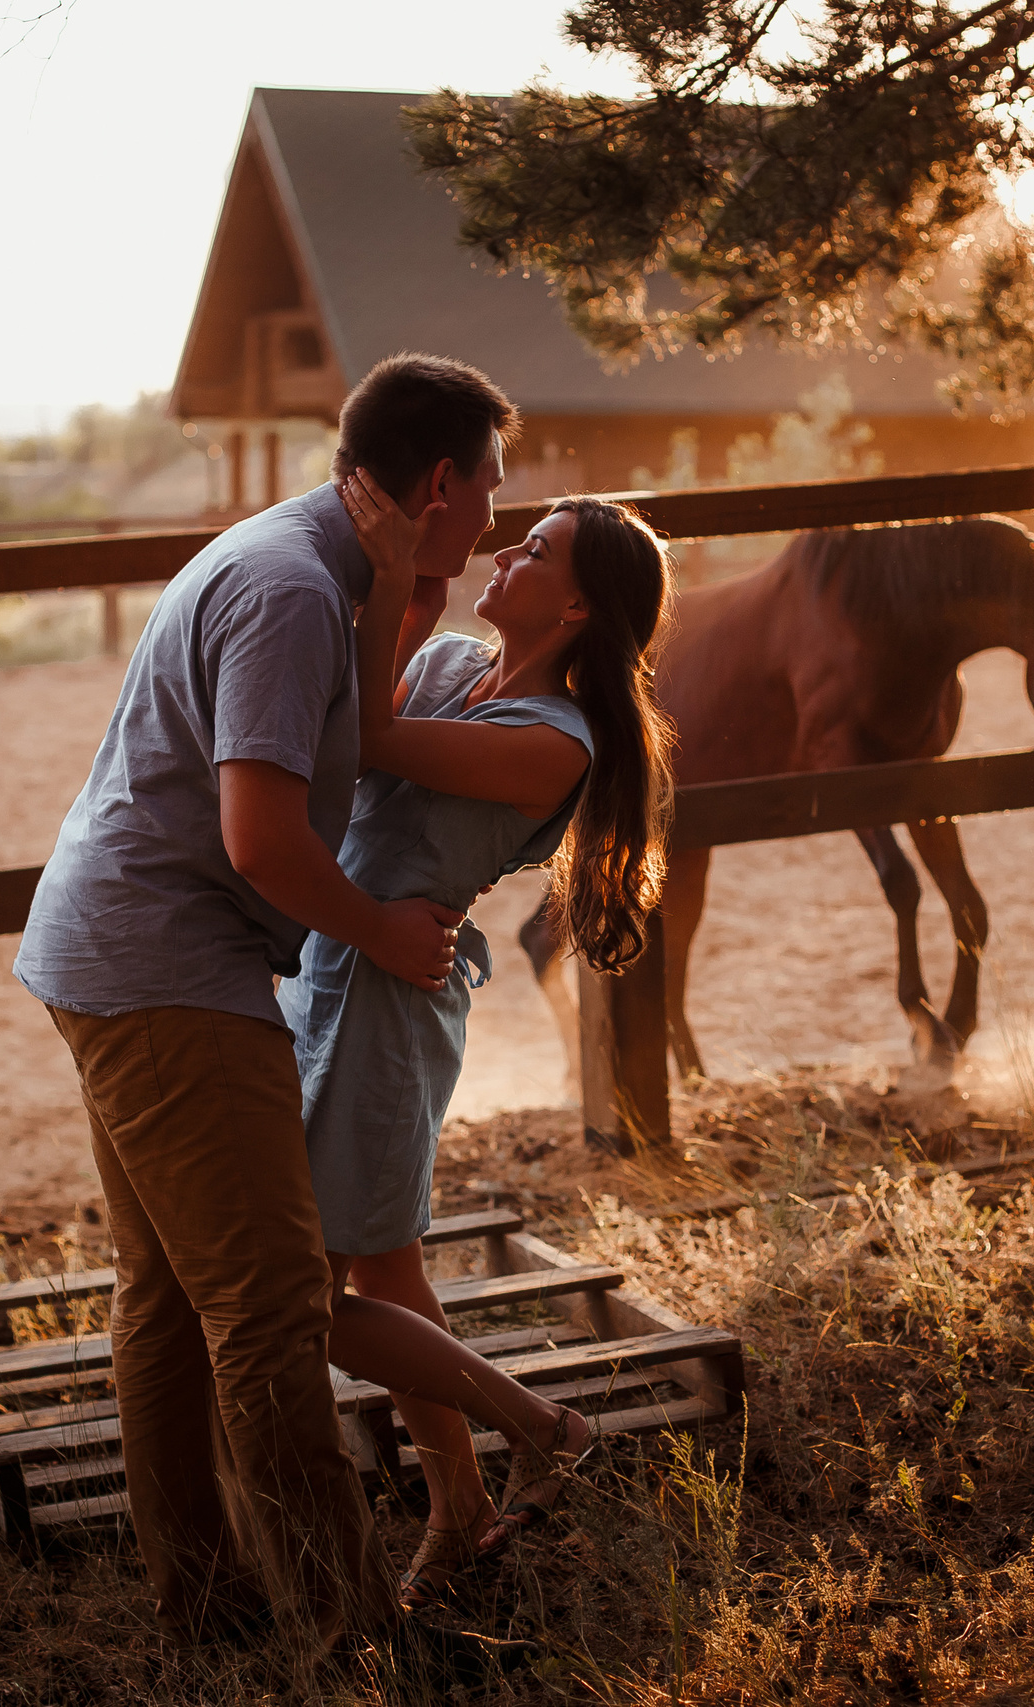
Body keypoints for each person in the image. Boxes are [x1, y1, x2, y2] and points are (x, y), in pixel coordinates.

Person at [10, 353, 524, 1669]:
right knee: (272, 1304)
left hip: (117, 945)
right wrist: (386, 933)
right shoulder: (292, 590)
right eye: (492, 490)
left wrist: (401, 587)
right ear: (442, 481)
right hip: (164, 967)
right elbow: (259, 834)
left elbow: (345, 737)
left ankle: (214, 1610)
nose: (496, 523)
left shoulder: (307, 560)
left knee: (172, 1299)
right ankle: (350, 1630)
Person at [287, 470, 676, 1613]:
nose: (505, 555)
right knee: (384, 1263)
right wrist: (404, 589)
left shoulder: (553, 745)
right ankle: (459, 1507)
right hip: (335, 965)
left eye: (537, 552)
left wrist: (403, 571)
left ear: (576, 613)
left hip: (389, 1003)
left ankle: (538, 1426)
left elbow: (372, 737)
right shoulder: (460, 662)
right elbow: (365, 716)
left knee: (299, 1297)